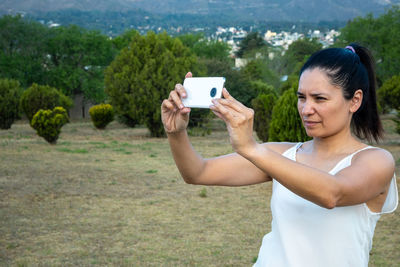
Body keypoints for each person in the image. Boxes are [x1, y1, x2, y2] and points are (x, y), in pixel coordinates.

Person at [161, 43, 398, 267]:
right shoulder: (280, 154)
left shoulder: (376, 161)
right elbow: (197, 172)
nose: (306, 109)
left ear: (354, 100)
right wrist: (176, 132)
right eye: (301, 97)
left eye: (320, 98)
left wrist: (252, 148)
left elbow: (332, 194)